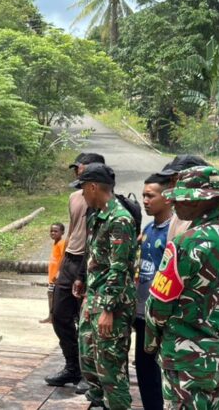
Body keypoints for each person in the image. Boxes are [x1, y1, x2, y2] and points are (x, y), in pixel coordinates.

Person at [145, 166, 219, 408]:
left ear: (199, 201)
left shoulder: (186, 244)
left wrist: (151, 343)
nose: (174, 203)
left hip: (189, 361)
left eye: (180, 198)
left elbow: (158, 306)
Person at [72, 163, 137, 410]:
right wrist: (85, 287)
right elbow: (95, 259)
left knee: (110, 369)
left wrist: (108, 309)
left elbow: (119, 268)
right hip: (94, 299)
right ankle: (98, 402)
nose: (81, 194)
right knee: (90, 362)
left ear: (93, 187)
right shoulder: (97, 216)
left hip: (112, 305)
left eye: (82, 189)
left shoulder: (120, 219)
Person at [46, 152, 105, 387]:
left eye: (81, 168)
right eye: (76, 168)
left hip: (89, 262)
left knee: (86, 321)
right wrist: (62, 266)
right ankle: (72, 367)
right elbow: (72, 232)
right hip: (70, 260)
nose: (77, 172)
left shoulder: (102, 199)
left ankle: (90, 374)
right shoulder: (73, 197)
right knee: (59, 315)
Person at [133, 173, 171, 410]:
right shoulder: (148, 228)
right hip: (142, 314)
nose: (145, 201)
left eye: (150, 196)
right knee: (144, 370)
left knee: (161, 374)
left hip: (161, 317)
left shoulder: (173, 231)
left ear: (167, 198)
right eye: (143, 195)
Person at [157, 154, 208, 242]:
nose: (171, 186)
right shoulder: (178, 215)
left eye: (177, 180)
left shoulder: (205, 224)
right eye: (171, 180)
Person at [40, 223, 66, 324]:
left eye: (56, 231)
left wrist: (58, 273)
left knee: (52, 296)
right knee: (51, 295)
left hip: (56, 277)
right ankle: (51, 317)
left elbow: (63, 259)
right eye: (51, 231)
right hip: (52, 277)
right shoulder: (55, 243)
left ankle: (53, 317)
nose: (53, 233)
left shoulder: (61, 243)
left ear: (62, 232)